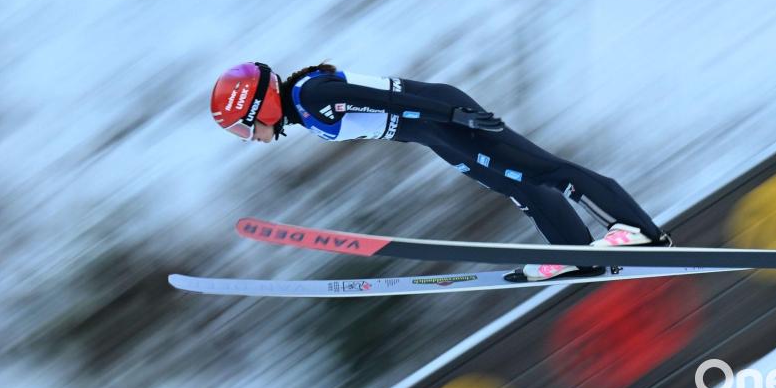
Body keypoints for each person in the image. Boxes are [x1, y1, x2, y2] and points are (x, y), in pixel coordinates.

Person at [210, 62, 671, 281]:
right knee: (521, 187)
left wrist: (454, 117)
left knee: (545, 171)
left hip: (442, 118)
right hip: (433, 133)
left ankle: (636, 231)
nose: (250, 139)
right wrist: (441, 129)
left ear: (257, 106)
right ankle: (578, 253)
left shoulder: (310, 97)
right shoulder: (305, 106)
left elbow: (388, 100)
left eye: (244, 129)